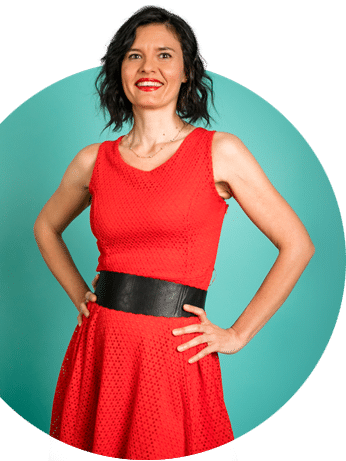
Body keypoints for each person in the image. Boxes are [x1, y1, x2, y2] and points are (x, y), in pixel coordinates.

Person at [34, 5, 314, 460]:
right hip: (100, 348)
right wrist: (78, 292)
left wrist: (237, 335)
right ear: (119, 70)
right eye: (134, 56)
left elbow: (298, 245)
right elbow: (46, 226)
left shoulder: (220, 152)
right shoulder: (92, 160)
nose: (148, 67)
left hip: (173, 355)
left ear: (187, 72)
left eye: (165, 55)